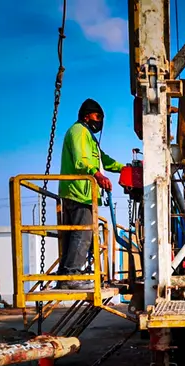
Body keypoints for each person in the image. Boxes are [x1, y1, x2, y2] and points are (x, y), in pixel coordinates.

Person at [57, 98, 122, 290]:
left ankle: (65, 276)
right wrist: (98, 175)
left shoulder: (89, 136)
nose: (100, 121)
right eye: (98, 116)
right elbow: (80, 161)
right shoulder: (78, 131)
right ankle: (72, 276)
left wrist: (125, 168)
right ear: (87, 116)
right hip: (78, 191)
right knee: (82, 234)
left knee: (74, 235)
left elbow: (104, 160)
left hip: (82, 193)